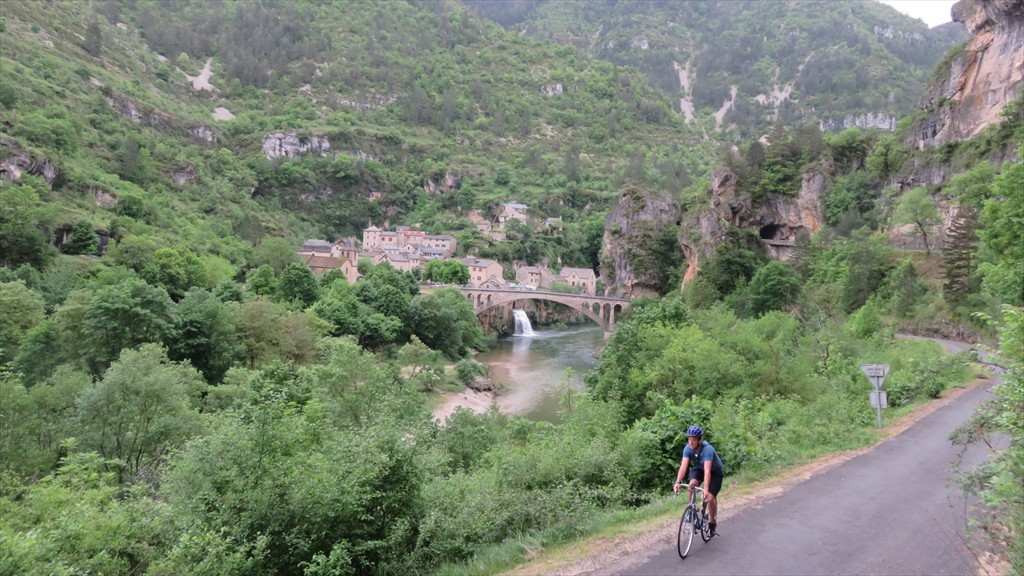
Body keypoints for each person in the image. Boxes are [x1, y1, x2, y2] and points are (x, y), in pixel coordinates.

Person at [673, 425, 724, 536]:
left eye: (694, 440)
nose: (691, 442)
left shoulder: (707, 449)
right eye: (689, 439)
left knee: (710, 498)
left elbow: (707, 471)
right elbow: (683, 466)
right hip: (699, 469)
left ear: (700, 440)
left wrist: (705, 490)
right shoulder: (688, 448)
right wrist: (677, 482)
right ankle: (691, 511)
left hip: (714, 472)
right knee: (691, 485)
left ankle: (712, 522)